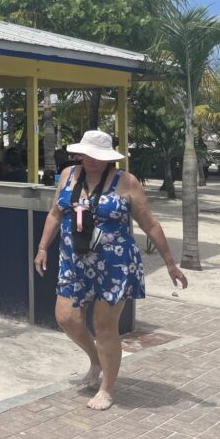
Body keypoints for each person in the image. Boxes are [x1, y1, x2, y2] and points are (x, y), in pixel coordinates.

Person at [34, 129, 187, 411]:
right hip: (74, 261)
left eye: (96, 156)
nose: (89, 160)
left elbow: (150, 223)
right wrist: (43, 247)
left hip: (114, 264)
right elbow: (55, 213)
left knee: (105, 326)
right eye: (85, 154)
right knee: (66, 317)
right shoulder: (69, 175)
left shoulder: (126, 182)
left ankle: (107, 388)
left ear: (107, 158)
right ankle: (96, 360)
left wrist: (169, 262)